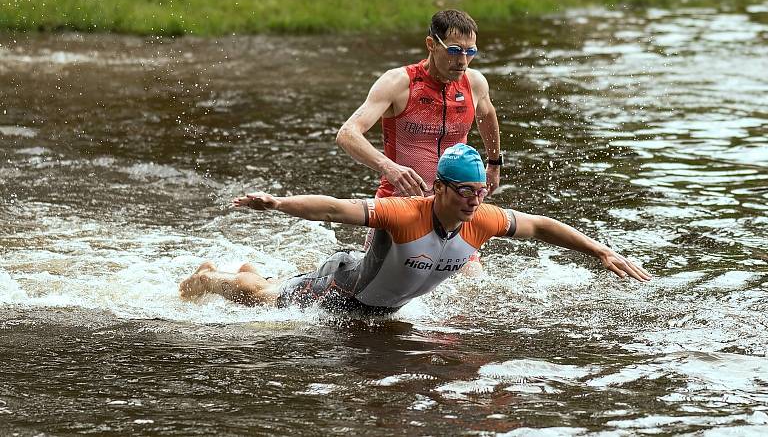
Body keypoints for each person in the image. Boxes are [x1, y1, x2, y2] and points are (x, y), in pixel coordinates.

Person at [179, 144, 651, 316]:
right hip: (339, 292)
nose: (475, 200)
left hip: (382, 310)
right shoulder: (404, 212)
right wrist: (279, 203)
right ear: (441, 187)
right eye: (465, 191)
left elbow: (542, 226)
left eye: (480, 191)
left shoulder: (481, 219)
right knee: (262, 300)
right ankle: (212, 278)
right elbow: (335, 208)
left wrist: (600, 251)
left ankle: (243, 271)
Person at [336, 9, 503, 199]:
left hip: (452, 207)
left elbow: (487, 115)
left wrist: (494, 164)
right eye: (454, 50)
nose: (463, 61)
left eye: (470, 51)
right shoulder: (398, 83)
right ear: (431, 44)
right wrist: (388, 167)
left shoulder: (474, 84)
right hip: (399, 203)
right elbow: (347, 134)